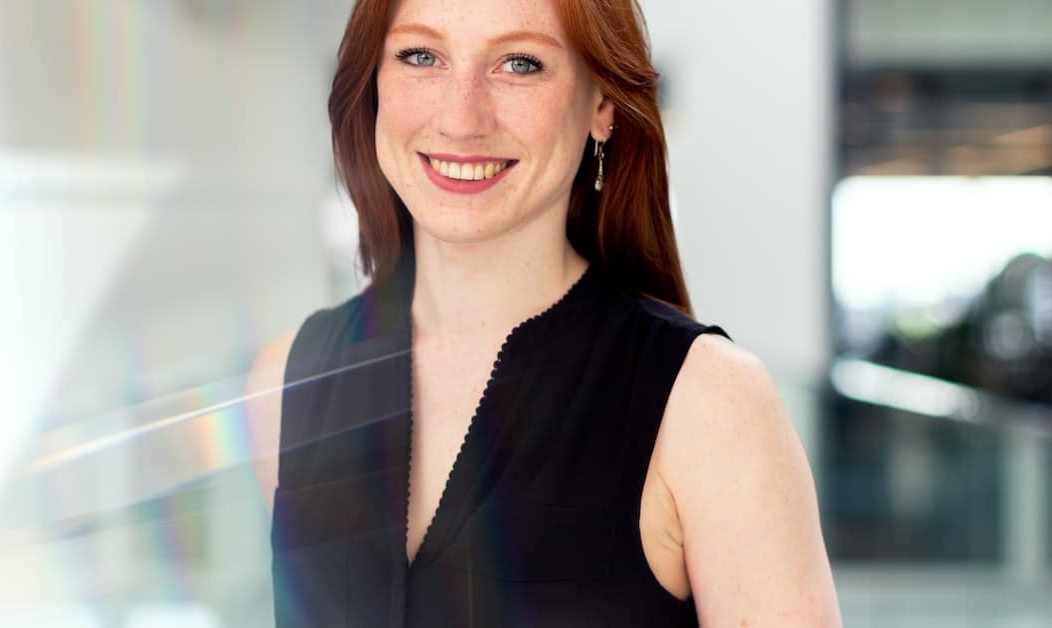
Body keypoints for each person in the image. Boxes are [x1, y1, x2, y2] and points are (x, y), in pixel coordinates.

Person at [247, 0, 843, 626]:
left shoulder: (711, 405)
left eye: (520, 64)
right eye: (421, 56)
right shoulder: (285, 384)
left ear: (602, 105)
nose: (461, 117)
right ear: (372, 85)